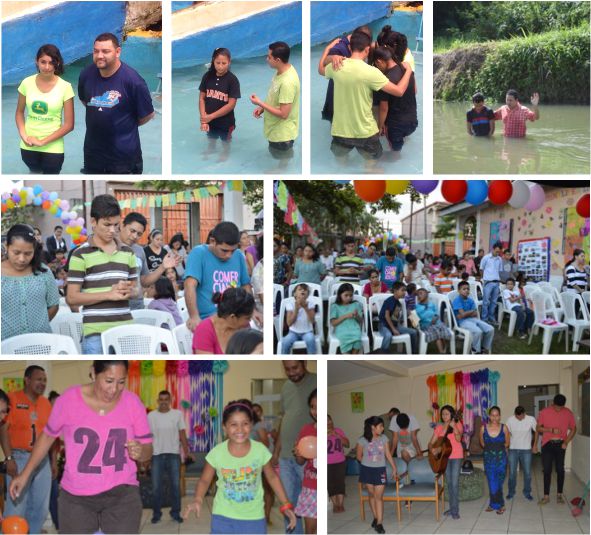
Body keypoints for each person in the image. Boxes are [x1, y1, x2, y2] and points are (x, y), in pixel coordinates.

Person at [9, 361, 153, 533]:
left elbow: (147, 451)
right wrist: (25, 475)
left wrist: (140, 451)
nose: (114, 389)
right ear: (93, 373)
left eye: (121, 382)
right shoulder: (69, 400)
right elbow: (47, 436)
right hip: (76, 496)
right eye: (109, 380)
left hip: (122, 493)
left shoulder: (132, 403)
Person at [183, 399, 297, 534]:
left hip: (254, 518)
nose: (240, 429)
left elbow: (272, 477)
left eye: (245, 424)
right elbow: (204, 480)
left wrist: (285, 504)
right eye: (233, 424)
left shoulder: (260, 450)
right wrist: (198, 499)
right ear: (224, 427)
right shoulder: (217, 452)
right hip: (223, 517)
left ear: (252, 425)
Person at [318, 31, 413, 160]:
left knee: (341, 163)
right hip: (366, 132)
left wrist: (327, 50)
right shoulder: (372, 72)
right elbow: (399, 91)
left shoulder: (337, 66)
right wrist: (408, 71)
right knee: (371, 166)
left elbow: (320, 70)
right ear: (368, 49)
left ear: (350, 48)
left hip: (340, 131)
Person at [67, 194, 138, 354]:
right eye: (107, 224)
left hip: (125, 330)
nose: (112, 230)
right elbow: (72, 298)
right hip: (95, 333)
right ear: (93, 221)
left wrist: (130, 291)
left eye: (116, 225)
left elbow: (137, 291)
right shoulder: (80, 254)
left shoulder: (128, 252)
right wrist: (108, 294)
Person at [78, 32, 154, 174]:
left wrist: (124, 124)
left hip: (124, 158)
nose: (100, 55)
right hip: (93, 155)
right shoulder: (85, 75)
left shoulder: (134, 82)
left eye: (105, 51)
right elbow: (85, 101)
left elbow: (148, 115)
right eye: (96, 51)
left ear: (118, 52)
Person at [0, 366, 52, 534]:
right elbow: (3, 429)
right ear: (27, 380)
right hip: (19, 458)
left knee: (40, 508)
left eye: (44, 380)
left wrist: (53, 461)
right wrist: (9, 459)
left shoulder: (46, 404)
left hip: (43, 461)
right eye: (39, 379)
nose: (42, 383)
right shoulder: (12, 399)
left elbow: (50, 435)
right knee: (17, 506)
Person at [271, 361, 317, 534]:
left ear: (304, 363)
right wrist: (276, 452)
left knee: (310, 505)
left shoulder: (316, 381)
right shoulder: (286, 387)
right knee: (288, 503)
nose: (291, 373)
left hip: (308, 459)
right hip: (285, 458)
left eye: (295, 368)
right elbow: (285, 419)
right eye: (287, 369)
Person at [16, 44, 74, 174]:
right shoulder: (26, 83)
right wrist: (24, 135)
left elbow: (69, 125)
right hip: (28, 144)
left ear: (57, 63)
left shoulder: (65, 87)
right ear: (36, 62)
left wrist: (42, 142)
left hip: (53, 147)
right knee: (34, 173)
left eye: (51, 62)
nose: (47, 67)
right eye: (43, 62)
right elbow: (19, 113)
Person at [184, 221, 251, 331]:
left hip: (237, 319)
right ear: (212, 241)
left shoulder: (238, 255)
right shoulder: (199, 253)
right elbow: (189, 285)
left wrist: (251, 311)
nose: (229, 255)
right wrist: (194, 316)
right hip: (209, 321)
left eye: (232, 251)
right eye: (224, 250)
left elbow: (245, 285)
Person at [1, 224, 60, 340]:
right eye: (16, 253)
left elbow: (53, 304)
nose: (22, 259)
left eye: (28, 253)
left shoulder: (43, 272)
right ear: (6, 246)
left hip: (41, 342)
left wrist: (39, 325)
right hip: (5, 345)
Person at [118, 212, 180, 310]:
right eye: (132, 231)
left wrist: (162, 266)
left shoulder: (139, 250)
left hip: (136, 305)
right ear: (122, 226)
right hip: (114, 305)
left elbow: (144, 281)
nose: (134, 236)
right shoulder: (109, 247)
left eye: (139, 234)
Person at [148, 390, 192, 524]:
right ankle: (156, 514)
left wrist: (187, 451)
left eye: (166, 399)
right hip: (156, 455)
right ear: (157, 401)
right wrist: (145, 457)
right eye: (161, 399)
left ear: (170, 400)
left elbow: (182, 434)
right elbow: (147, 437)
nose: (163, 402)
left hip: (173, 454)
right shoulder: (151, 416)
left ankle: (175, 513)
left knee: (175, 486)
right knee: (156, 487)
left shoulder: (177, 414)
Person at [250, 41, 300, 160]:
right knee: (279, 155)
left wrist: (260, 103)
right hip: (276, 130)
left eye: (269, 57)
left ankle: (281, 169)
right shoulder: (282, 71)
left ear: (277, 60)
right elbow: (275, 96)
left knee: (281, 157)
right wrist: (262, 108)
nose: (267, 59)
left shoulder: (287, 82)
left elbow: (284, 114)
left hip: (282, 135)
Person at [374, 39, 418, 151]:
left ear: (379, 62)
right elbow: (415, 90)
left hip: (395, 125)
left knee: (395, 152)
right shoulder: (407, 70)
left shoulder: (385, 80)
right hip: (413, 121)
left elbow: (384, 108)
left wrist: (380, 126)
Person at [357, 416, 397, 534]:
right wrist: (367, 463)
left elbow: (388, 454)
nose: (383, 428)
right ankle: (375, 517)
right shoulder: (362, 440)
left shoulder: (384, 438)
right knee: (371, 494)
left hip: (380, 470)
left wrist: (394, 468)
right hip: (367, 470)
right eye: (380, 426)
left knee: (378, 496)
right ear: (373, 427)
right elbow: (359, 456)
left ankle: (379, 523)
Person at [536, 394, 577, 505]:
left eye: (561, 407)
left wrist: (566, 442)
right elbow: (538, 428)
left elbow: (574, 429)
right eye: (557, 407)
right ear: (553, 403)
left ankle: (559, 495)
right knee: (547, 470)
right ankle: (546, 496)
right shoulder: (544, 411)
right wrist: (550, 430)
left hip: (561, 444)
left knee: (560, 469)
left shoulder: (568, 413)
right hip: (547, 444)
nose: (559, 409)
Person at [199, 47, 240, 153]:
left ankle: (226, 153)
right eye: (218, 63)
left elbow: (231, 105)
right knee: (211, 137)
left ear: (229, 62)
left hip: (226, 122)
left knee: (225, 140)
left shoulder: (232, 80)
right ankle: (211, 148)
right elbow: (202, 98)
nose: (220, 66)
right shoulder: (207, 76)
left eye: (224, 63)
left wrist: (210, 116)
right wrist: (204, 118)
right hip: (209, 119)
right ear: (213, 61)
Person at [193, 287, 255, 354]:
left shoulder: (243, 328)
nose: (249, 321)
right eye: (247, 318)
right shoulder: (204, 330)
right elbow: (206, 364)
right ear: (232, 317)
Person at [429, 405, 463, 520]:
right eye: (443, 414)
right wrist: (432, 449)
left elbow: (458, 439)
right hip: (444, 458)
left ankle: (455, 510)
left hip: (456, 456)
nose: (444, 416)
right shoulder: (439, 427)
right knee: (449, 483)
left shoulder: (457, 424)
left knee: (454, 483)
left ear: (452, 414)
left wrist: (455, 428)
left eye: (447, 414)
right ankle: (452, 508)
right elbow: (431, 442)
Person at [294, 390, 317, 534]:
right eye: (312, 406)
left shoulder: (331, 432)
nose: (315, 411)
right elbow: (300, 461)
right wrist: (298, 453)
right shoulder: (306, 429)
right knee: (310, 530)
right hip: (310, 487)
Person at [479, 406, 509, 514]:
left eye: (497, 415)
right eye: (492, 415)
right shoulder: (483, 428)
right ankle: (498, 505)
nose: (494, 417)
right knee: (492, 482)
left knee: (499, 483)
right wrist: (490, 450)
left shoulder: (504, 428)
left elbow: (507, 443)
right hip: (489, 459)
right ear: (489, 416)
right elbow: (482, 443)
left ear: (500, 416)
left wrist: (498, 449)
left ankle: (495, 504)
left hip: (501, 459)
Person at [506, 406, 538, 501]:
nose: (519, 419)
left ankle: (527, 492)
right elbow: (506, 433)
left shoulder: (531, 419)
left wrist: (535, 445)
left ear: (524, 413)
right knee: (512, 473)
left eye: (521, 417)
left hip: (526, 450)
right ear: (515, 414)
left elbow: (537, 431)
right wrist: (507, 446)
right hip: (513, 450)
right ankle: (511, 492)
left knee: (527, 473)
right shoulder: (510, 420)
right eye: (517, 417)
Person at [452, 281, 494, 354]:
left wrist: (466, 313)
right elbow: (463, 315)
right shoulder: (457, 300)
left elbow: (474, 314)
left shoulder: (470, 300)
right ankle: (475, 349)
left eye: (468, 289)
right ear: (459, 290)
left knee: (490, 329)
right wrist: (469, 312)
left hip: (473, 319)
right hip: (462, 322)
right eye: (464, 289)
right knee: (478, 331)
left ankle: (484, 347)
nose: (466, 290)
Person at [250, 403, 274, 524]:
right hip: (251, 463)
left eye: (257, 411)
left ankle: (267, 516)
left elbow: (266, 443)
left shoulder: (260, 424)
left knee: (267, 489)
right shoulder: (248, 425)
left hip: (263, 461)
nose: (255, 413)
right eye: (253, 411)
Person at [379, 282, 418, 353]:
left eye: (405, 290)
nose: (404, 292)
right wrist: (393, 329)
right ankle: (382, 355)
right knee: (388, 336)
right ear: (395, 291)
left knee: (413, 332)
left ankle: (414, 354)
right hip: (384, 325)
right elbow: (386, 316)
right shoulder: (390, 300)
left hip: (394, 325)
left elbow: (394, 318)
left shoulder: (398, 303)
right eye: (402, 290)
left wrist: (413, 321)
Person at [282, 283, 318, 354]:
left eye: (305, 290)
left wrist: (306, 308)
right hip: (293, 332)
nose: (303, 291)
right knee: (285, 342)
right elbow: (289, 323)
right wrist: (296, 309)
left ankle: (313, 361)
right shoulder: (290, 305)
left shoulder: (311, 304)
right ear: (295, 294)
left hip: (307, 332)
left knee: (311, 340)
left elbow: (312, 321)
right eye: (300, 289)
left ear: (308, 294)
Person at [415, 288, 453, 353]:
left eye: (421, 293)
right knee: (437, 332)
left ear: (426, 294)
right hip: (426, 325)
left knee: (443, 329)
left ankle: (445, 345)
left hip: (437, 322)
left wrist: (435, 318)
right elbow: (417, 317)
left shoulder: (432, 304)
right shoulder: (417, 306)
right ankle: (442, 352)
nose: (419, 295)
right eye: (418, 294)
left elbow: (436, 313)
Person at [330, 282, 364, 354]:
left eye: (351, 295)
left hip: (354, 328)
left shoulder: (356, 304)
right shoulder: (335, 306)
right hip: (341, 329)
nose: (349, 297)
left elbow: (361, 320)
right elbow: (333, 323)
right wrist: (346, 316)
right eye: (346, 295)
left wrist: (357, 315)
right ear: (340, 295)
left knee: (358, 338)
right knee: (344, 337)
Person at [327, 415, 349, 514]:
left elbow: (347, 444)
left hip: (340, 461)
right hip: (326, 463)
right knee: (330, 484)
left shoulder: (338, 430)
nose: (328, 423)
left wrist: (337, 435)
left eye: (329, 420)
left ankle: (341, 504)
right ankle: (335, 505)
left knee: (340, 483)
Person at [480, 242, 503, 325]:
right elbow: (481, 269)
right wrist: (483, 279)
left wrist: (499, 281)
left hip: (496, 282)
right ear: (493, 249)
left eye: (499, 252)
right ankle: (484, 319)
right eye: (496, 251)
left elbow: (499, 271)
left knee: (494, 302)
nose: (497, 253)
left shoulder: (499, 259)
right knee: (486, 302)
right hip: (487, 282)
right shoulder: (486, 258)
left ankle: (491, 318)